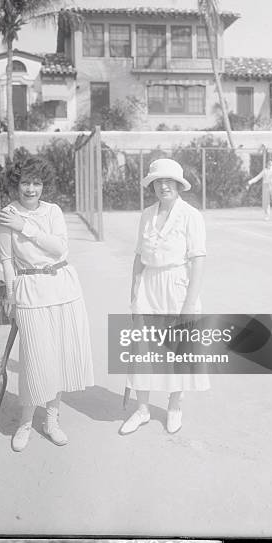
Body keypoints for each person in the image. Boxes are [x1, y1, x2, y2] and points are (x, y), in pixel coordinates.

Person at [0, 156, 94, 452]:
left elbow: (60, 248)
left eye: (36, 183)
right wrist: (12, 297)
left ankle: (52, 419)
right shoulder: (5, 216)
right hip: (30, 292)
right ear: (16, 183)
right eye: (25, 182)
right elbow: (6, 260)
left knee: (61, 357)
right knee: (35, 359)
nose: (31, 189)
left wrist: (25, 226)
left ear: (43, 185)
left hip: (64, 288)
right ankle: (26, 421)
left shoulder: (53, 211)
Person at [120, 158, 210, 436]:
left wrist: (189, 305)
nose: (163, 186)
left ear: (179, 185)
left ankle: (174, 406)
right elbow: (138, 257)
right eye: (158, 181)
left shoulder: (191, 215)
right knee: (143, 350)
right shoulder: (146, 214)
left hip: (178, 287)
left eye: (169, 180)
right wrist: (134, 293)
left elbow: (198, 262)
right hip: (148, 286)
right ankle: (143, 410)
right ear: (153, 185)